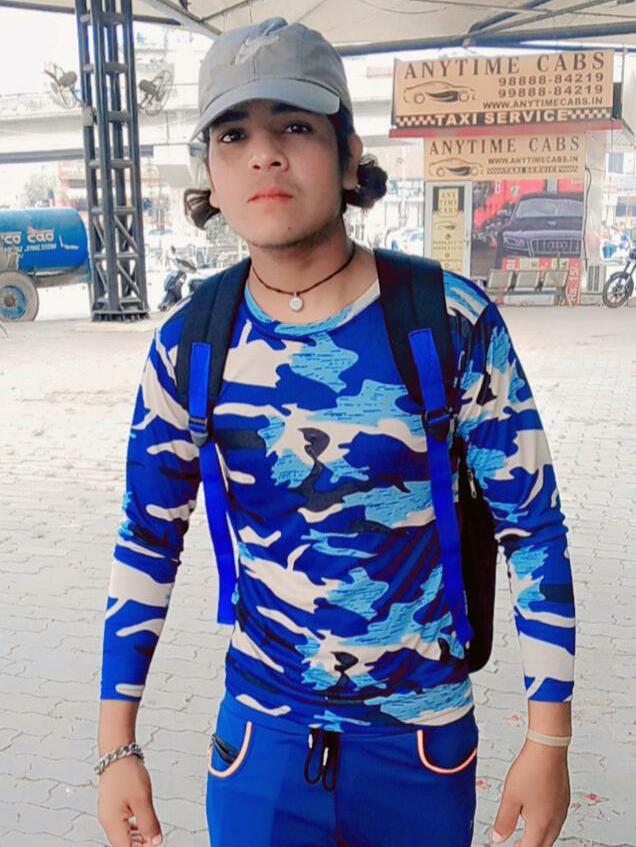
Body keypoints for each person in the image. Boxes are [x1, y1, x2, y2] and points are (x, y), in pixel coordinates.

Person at [95, 17, 575, 847]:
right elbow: (146, 538)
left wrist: (549, 738)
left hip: (420, 747)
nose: (263, 155)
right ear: (210, 172)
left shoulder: (447, 321)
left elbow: (532, 528)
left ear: (349, 156)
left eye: (294, 126)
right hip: (261, 745)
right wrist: (117, 746)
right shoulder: (190, 344)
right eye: (233, 134)